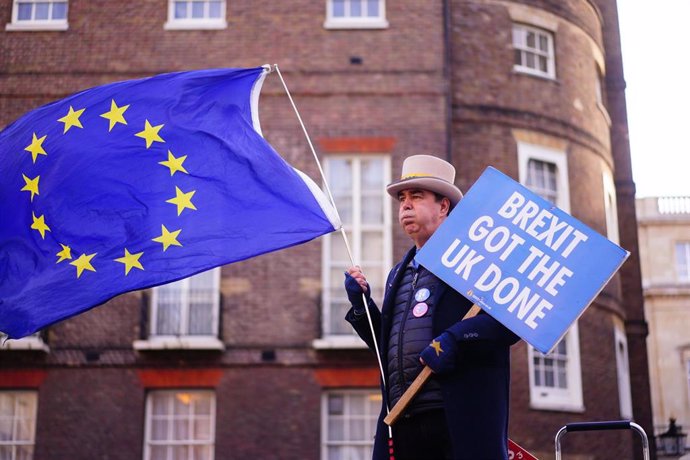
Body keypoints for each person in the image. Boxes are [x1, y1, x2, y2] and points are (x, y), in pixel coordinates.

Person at [344, 155, 519, 460]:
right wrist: (361, 306)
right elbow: (389, 347)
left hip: (455, 419)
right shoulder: (398, 272)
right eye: (402, 198)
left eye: (417, 196)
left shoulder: (476, 260)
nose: (405, 205)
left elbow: (509, 320)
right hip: (403, 420)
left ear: (443, 207)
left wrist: (456, 338)